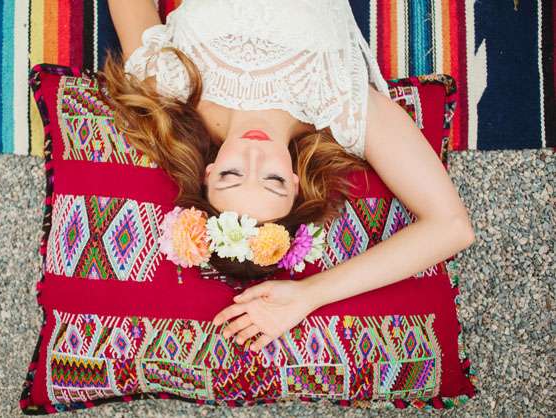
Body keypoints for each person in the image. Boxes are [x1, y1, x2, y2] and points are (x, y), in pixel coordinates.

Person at [102, 0, 475, 353]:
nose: (254, 154)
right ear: (295, 183)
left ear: (208, 173)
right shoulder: (339, 108)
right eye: (273, 180)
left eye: (232, 174)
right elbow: (451, 227)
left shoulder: (170, 87)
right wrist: (311, 294)